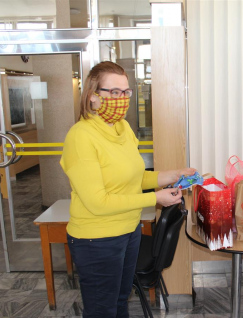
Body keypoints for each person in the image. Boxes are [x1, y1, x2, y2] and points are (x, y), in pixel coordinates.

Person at [60, 61, 196, 318]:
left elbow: (134, 178)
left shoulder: (123, 129)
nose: (121, 99)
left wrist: (173, 174)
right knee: (103, 310)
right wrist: (155, 198)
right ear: (93, 97)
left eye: (125, 92)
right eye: (114, 92)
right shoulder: (81, 137)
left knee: (121, 300)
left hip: (129, 231)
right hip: (97, 240)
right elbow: (98, 202)